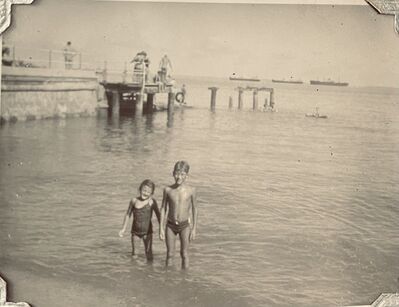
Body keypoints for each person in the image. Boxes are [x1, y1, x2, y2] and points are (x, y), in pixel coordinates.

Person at [159, 161, 198, 269]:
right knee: (170, 254)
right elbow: (163, 208)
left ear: (187, 175)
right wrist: (161, 228)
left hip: (185, 226)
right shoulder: (167, 190)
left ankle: (184, 280)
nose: (179, 177)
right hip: (170, 226)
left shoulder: (191, 190)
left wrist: (194, 228)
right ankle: (168, 279)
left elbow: (195, 209)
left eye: (182, 174)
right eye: (177, 174)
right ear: (173, 173)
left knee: (184, 254)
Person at [119, 179, 160, 261]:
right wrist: (123, 229)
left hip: (147, 232)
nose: (145, 193)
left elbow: (159, 215)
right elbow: (128, 215)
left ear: (151, 194)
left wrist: (162, 229)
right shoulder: (134, 201)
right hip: (135, 233)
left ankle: (149, 271)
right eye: (144, 190)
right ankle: (134, 271)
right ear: (140, 189)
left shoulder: (152, 202)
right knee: (134, 253)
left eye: (148, 192)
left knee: (149, 253)